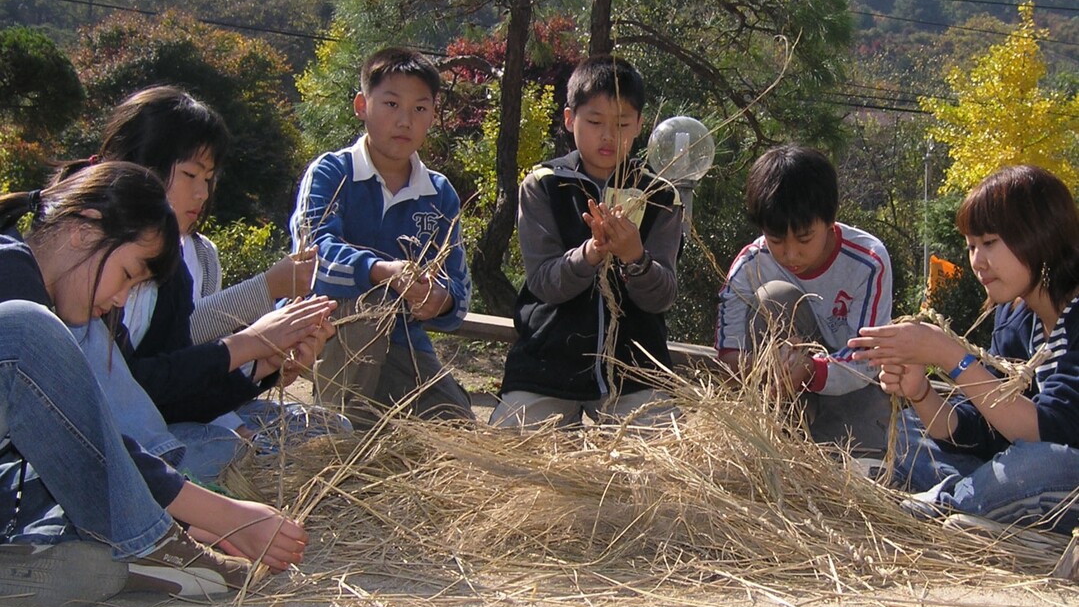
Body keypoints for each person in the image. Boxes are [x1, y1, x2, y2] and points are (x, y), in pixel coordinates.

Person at [0, 163, 307, 607]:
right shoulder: (9, 269)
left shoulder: (76, 311)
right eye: (127, 274)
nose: (122, 299)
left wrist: (261, 366)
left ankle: (82, 555)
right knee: (25, 330)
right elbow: (97, 434)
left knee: (66, 512)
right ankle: (154, 546)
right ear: (84, 232)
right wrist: (223, 514)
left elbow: (99, 431)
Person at [85, 86, 346, 478]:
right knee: (218, 452)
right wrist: (258, 323)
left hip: (168, 424)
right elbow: (134, 388)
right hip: (103, 441)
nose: (202, 193)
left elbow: (180, 381)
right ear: (138, 165)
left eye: (208, 179)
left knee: (329, 430)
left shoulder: (185, 261)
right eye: (190, 174)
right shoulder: (89, 250)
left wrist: (264, 364)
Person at [849, 165, 1079, 534]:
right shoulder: (1016, 318)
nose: (977, 261)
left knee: (1037, 465)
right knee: (906, 427)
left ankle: (942, 503)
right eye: (971, 246)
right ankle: (977, 503)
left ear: (1040, 234)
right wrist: (921, 392)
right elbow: (985, 432)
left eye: (989, 243)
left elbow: (1050, 433)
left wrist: (949, 355)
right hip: (1016, 466)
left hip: (1064, 477)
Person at [491, 54, 682, 429]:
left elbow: (663, 296)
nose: (609, 136)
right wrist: (592, 253)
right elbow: (544, 282)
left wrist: (635, 259)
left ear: (640, 124)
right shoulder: (543, 184)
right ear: (569, 119)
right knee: (511, 458)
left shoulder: (660, 196)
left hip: (636, 369)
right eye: (595, 122)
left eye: (623, 123)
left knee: (666, 467)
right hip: (548, 363)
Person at [290, 46, 474, 426]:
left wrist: (438, 300)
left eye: (420, 109)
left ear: (432, 116)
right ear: (362, 105)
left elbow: (458, 287)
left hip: (404, 342)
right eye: (391, 104)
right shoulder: (331, 173)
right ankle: (333, 440)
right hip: (323, 334)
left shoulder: (439, 194)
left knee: (458, 427)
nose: (405, 121)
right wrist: (378, 270)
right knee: (367, 313)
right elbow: (309, 257)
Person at [715, 145, 893, 453]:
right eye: (776, 240)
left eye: (805, 238)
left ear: (830, 220)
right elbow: (729, 356)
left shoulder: (868, 260)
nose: (791, 254)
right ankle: (776, 442)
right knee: (775, 296)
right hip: (777, 398)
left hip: (853, 393)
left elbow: (865, 362)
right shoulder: (750, 266)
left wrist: (809, 368)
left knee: (855, 481)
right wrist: (772, 369)